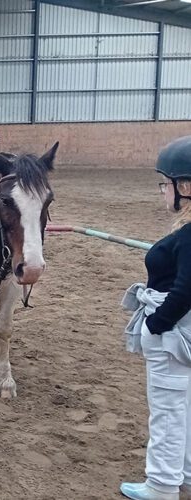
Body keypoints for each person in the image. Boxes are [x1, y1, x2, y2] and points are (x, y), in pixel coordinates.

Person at [121, 135, 191, 500]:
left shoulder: (190, 235)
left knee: (166, 408)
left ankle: (162, 485)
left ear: (185, 187)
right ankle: (186, 475)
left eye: (165, 184)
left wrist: (156, 323)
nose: (162, 191)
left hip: (174, 333)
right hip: (181, 329)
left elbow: (186, 289)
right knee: (185, 406)